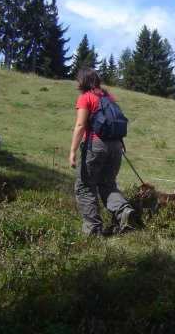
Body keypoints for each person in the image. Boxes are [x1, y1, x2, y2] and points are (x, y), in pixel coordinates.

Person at [69, 67, 136, 235]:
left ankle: (93, 231)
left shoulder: (86, 98)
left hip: (96, 145)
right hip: (116, 147)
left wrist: (72, 151)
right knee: (108, 184)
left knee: (85, 186)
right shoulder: (108, 97)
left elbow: (80, 125)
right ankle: (124, 212)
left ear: (83, 81)